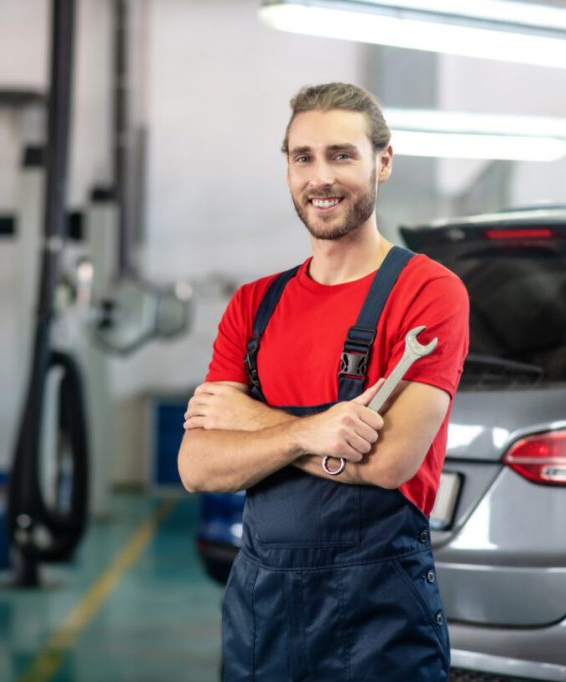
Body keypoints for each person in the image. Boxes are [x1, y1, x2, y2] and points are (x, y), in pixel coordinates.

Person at [178, 82, 469, 681]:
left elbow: (390, 461)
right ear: (287, 167)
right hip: (262, 614)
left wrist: (248, 422)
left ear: (382, 162)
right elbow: (198, 466)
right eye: (302, 158)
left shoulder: (428, 292)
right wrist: (312, 434)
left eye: (342, 155)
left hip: (379, 618)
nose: (321, 177)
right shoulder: (253, 306)